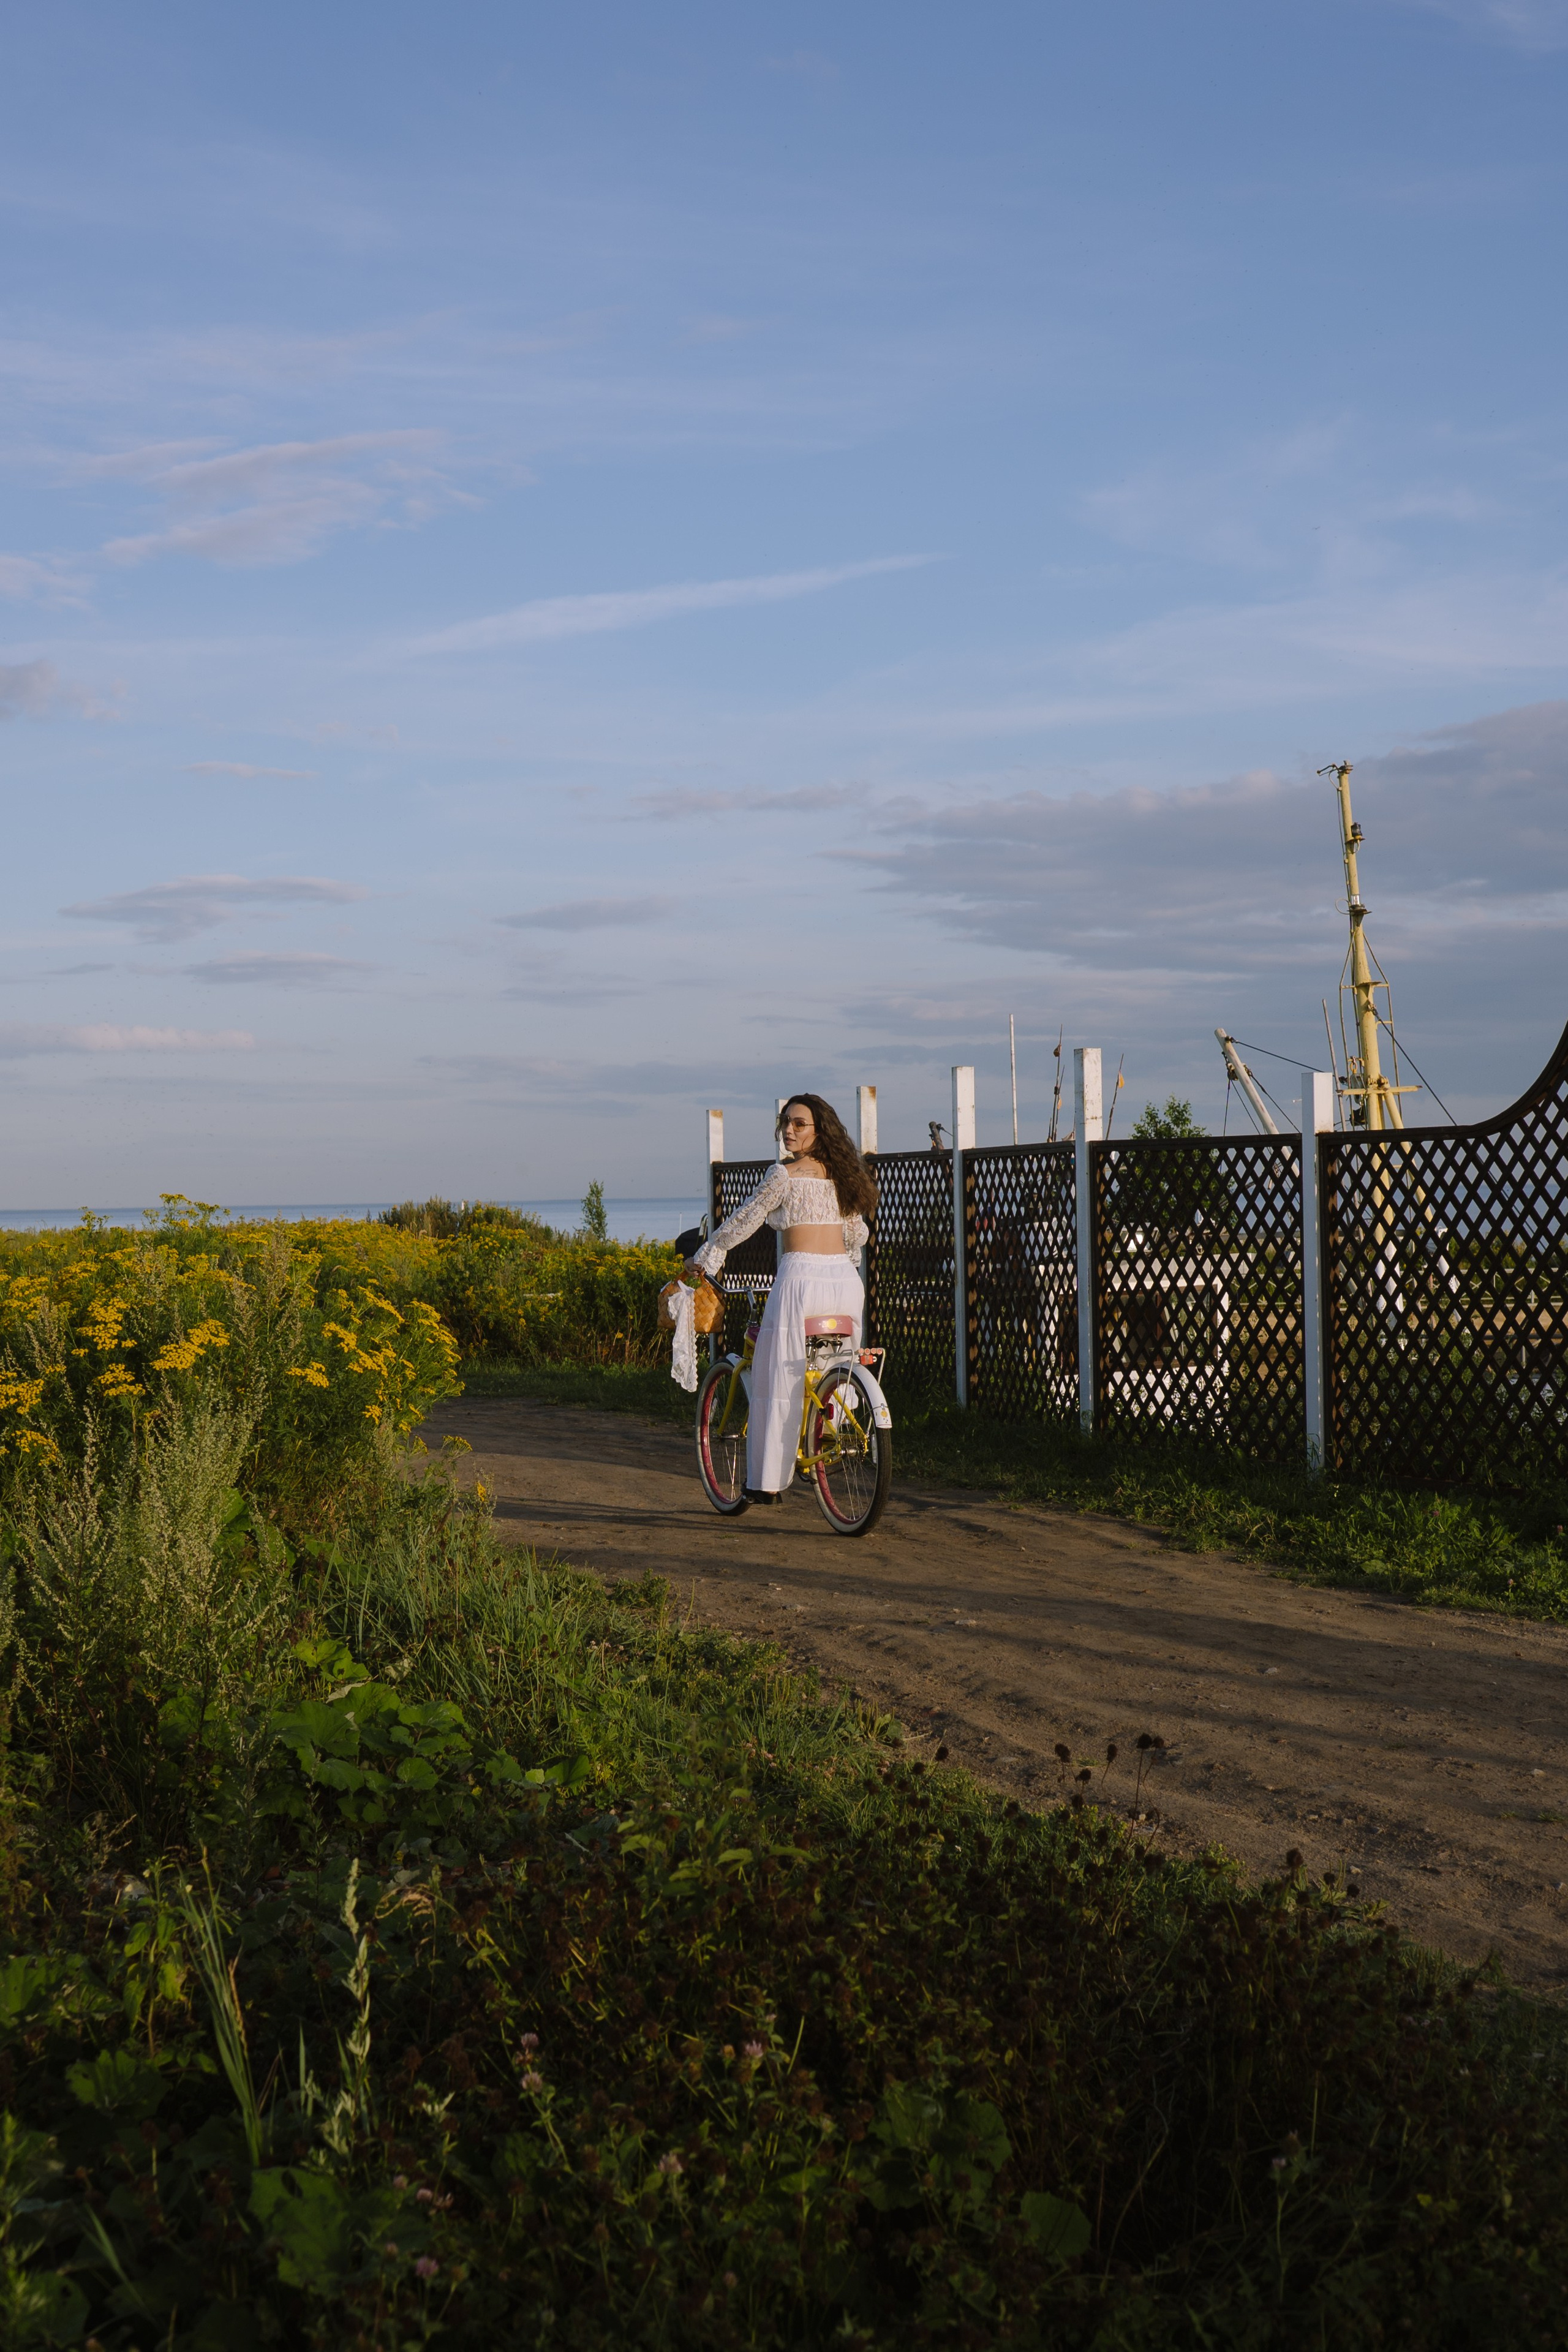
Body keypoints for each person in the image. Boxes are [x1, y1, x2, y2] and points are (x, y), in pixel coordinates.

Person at [686, 1093, 876, 1504]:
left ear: (819, 1130)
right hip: (845, 1281)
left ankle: (766, 1483)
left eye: (799, 1123)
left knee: (777, 1376)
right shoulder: (844, 1176)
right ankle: (827, 1431)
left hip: (801, 1279)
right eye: (786, 1122)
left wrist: (707, 1257)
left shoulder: (784, 1175)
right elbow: (856, 1236)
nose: (789, 1130)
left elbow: (745, 1219)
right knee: (833, 1363)